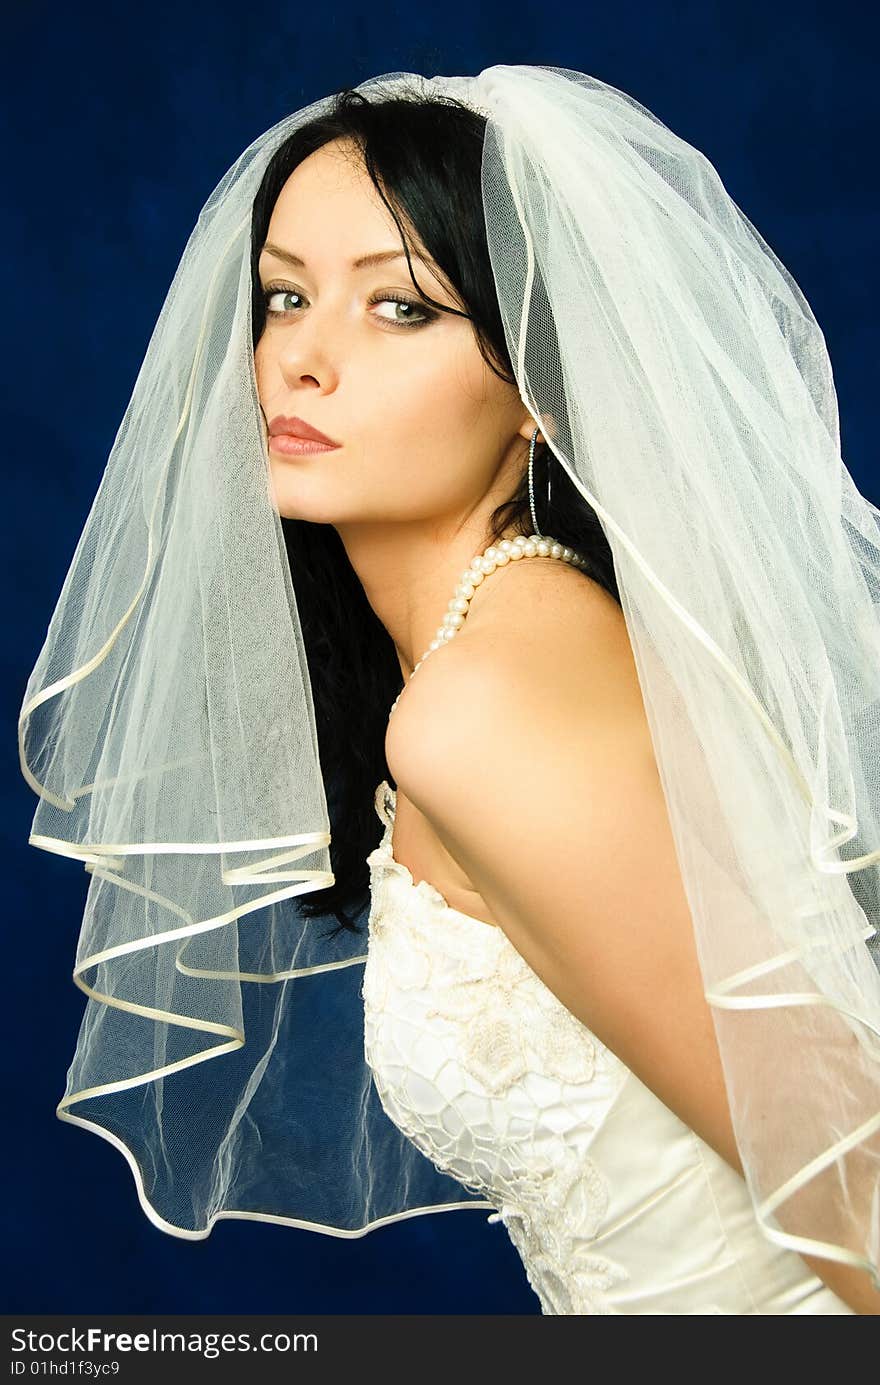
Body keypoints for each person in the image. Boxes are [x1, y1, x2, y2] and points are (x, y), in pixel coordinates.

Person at [19, 67, 880, 1314]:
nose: (303, 359)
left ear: (536, 383)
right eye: (285, 296)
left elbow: (852, 1171)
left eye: (400, 307)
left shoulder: (487, 702)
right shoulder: (497, 647)